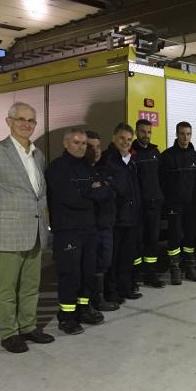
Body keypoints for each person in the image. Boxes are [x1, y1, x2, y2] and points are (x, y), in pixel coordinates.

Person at [0, 102, 54, 353]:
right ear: (9, 122)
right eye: (21, 119)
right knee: (6, 288)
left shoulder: (38, 155)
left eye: (31, 120)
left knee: (30, 286)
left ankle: (28, 326)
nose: (27, 124)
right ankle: (9, 333)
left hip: (35, 232)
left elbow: (41, 194)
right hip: (6, 233)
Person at [46, 128, 107, 335]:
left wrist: (91, 192)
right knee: (70, 275)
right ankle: (67, 317)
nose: (81, 147)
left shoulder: (88, 167)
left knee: (88, 273)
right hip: (68, 231)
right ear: (65, 144)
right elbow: (69, 198)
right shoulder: (57, 168)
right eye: (76, 142)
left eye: (83, 143)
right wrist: (92, 191)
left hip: (89, 229)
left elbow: (104, 192)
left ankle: (83, 310)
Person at [102, 123, 142, 302]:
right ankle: (111, 292)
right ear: (113, 138)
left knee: (127, 256)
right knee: (113, 259)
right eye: (122, 138)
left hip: (131, 218)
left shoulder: (131, 161)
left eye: (129, 139)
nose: (126, 142)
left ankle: (125, 288)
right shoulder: (107, 160)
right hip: (116, 219)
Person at [159, 121, 196, 284]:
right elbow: (161, 181)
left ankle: (190, 268)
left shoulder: (195, 156)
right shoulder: (167, 156)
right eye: (183, 134)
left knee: (190, 237)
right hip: (174, 205)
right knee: (175, 236)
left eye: (188, 134)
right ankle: (175, 269)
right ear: (177, 134)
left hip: (191, 204)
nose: (185, 137)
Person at [85, 131, 118, 312]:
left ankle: (98, 299)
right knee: (90, 264)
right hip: (90, 226)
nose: (96, 151)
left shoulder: (104, 168)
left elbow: (113, 191)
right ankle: (89, 302)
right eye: (91, 147)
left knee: (104, 262)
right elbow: (91, 195)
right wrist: (104, 189)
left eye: (98, 146)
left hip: (106, 224)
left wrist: (103, 188)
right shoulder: (83, 171)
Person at [130, 119, 165, 288]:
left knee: (152, 241)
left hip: (154, 205)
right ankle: (135, 276)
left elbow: (161, 178)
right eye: (143, 132)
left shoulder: (155, 152)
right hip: (137, 207)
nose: (146, 135)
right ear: (137, 132)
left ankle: (151, 274)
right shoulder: (131, 153)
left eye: (149, 132)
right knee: (137, 242)